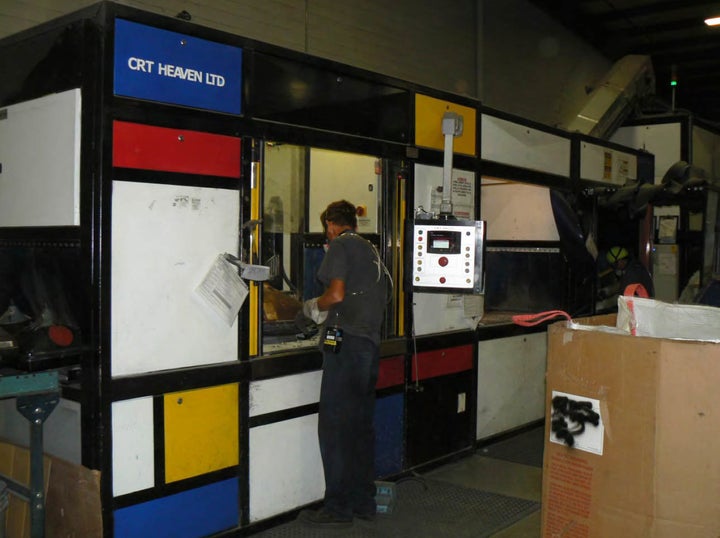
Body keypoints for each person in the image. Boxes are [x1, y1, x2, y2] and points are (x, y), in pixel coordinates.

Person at [298, 200, 390, 529]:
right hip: (366, 346)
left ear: (332, 226)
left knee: (335, 428)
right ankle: (363, 502)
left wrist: (311, 307)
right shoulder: (371, 251)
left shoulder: (340, 245)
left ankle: (337, 508)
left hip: (345, 344)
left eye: (328, 228)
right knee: (359, 427)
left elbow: (335, 295)